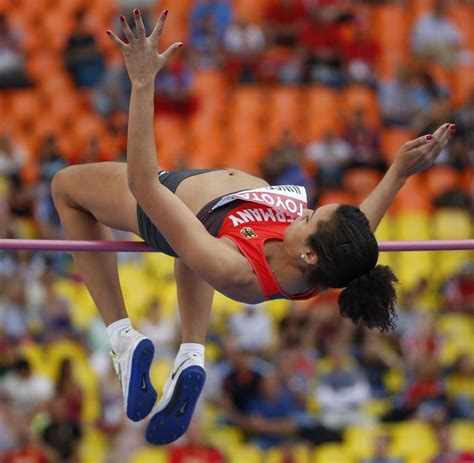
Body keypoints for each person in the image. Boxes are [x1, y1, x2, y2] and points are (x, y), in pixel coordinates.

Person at [51, 9, 456, 446]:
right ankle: (191, 353)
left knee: (66, 188)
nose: (303, 212)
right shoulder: (328, 263)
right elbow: (360, 238)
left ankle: (122, 339)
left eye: (307, 218)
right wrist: (397, 172)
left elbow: (142, 184)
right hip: (212, 218)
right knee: (194, 256)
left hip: (169, 197)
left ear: (309, 254)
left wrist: (143, 82)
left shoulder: (238, 271)